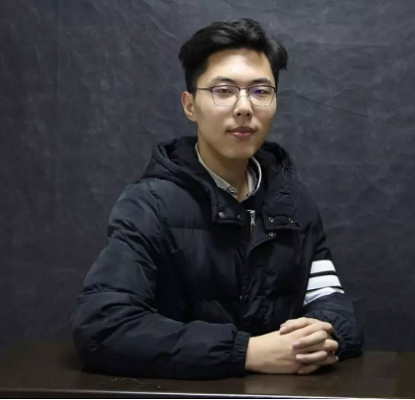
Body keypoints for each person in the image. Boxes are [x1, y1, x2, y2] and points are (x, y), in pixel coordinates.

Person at [71, 17, 363, 380]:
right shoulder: (149, 205)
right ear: (190, 105)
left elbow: (334, 307)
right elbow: (102, 326)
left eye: (260, 91)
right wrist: (246, 353)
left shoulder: (292, 201)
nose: (244, 107)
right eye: (224, 90)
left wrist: (324, 335)